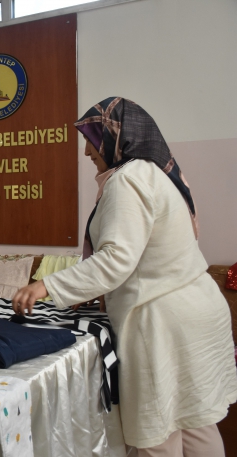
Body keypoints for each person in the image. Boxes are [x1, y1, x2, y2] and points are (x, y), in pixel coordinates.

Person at [13, 97, 237, 456]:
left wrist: (47, 285)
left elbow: (117, 259)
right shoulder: (159, 174)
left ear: (117, 138)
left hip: (163, 322)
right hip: (198, 310)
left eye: (92, 137)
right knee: (196, 425)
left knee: (156, 436)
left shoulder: (128, 180)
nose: (87, 151)